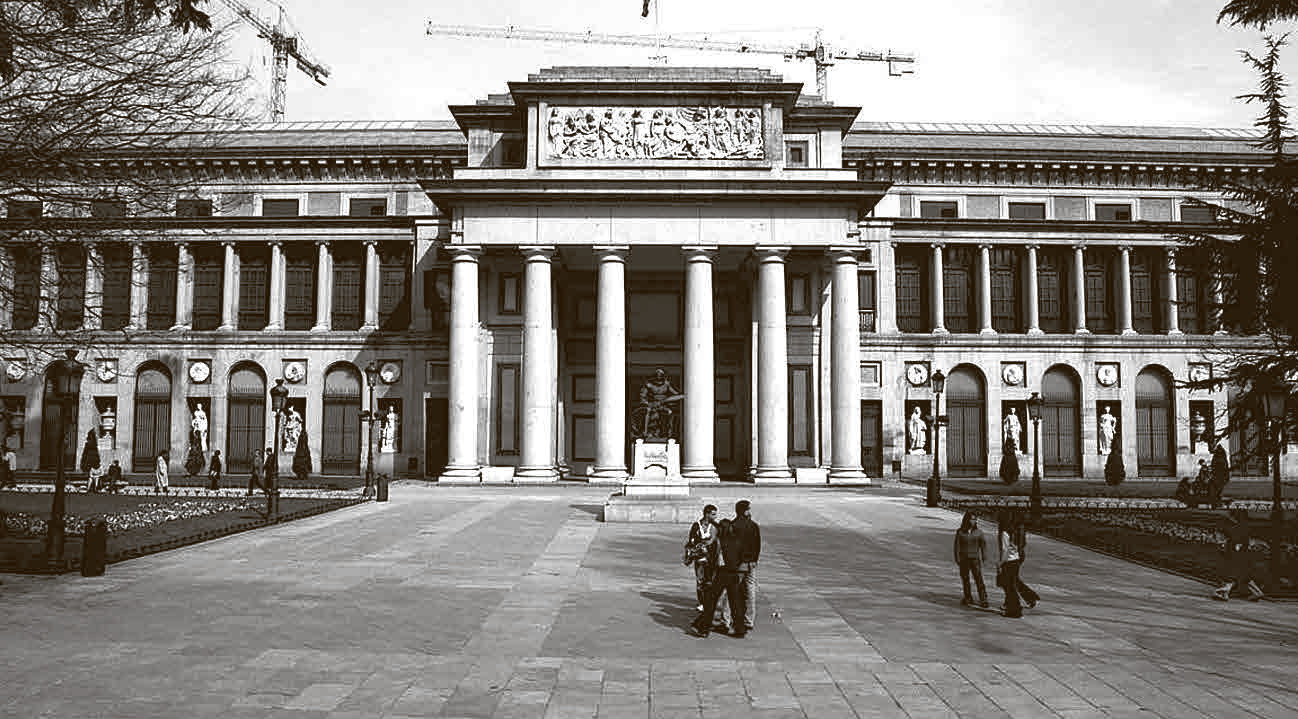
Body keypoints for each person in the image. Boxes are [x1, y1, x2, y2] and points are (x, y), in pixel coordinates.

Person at [690, 518, 744, 638]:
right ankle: (740, 629)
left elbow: (713, 559)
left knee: (711, 600)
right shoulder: (737, 541)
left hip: (722, 573)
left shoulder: (719, 542)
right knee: (735, 602)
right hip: (734, 572)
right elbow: (741, 557)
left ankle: (704, 627)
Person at [1214, 508, 1264, 601]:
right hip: (1243, 553)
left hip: (1236, 553)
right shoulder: (1245, 527)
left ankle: (1224, 592)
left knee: (1232, 574)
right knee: (1245, 576)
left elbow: (1236, 542)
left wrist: (1230, 548)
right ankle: (1257, 592)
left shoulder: (1236, 528)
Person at [997, 511, 1039, 618]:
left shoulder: (1007, 532)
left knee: (1010, 583)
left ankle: (1016, 605)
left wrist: (1000, 563)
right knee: (1012, 581)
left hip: (1011, 559)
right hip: (1016, 557)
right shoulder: (1015, 529)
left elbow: (1005, 550)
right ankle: (1023, 600)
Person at [730, 499, 761, 637]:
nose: (750, 511)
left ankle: (726, 619)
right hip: (751, 563)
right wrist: (754, 560)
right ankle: (749, 620)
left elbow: (733, 546)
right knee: (750, 591)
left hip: (739, 563)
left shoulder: (734, 525)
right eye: (749, 509)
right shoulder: (753, 525)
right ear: (745, 511)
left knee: (732, 590)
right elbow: (757, 544)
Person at [954, 512, 989, 608]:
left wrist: (984, 557)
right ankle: (968, 597)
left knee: (978, 579)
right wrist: (957, 559)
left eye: (975, 519)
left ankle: (983, 599)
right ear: (967, 520)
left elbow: (983, 545)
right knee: (965, 579)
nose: (974, 521)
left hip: (975, 559)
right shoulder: (960, 532)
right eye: (972, 519)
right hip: (964, 559)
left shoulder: (979, 532)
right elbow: (957, 546)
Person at [1210, 440, 1231, 506]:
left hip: (1219, 474)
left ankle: (1216, 501)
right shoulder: (1221, 453)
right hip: (1220, 474)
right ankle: (1217, 500)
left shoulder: (1218, 453)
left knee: (1217, 487)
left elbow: (1215, 463)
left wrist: (1213, 469)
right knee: (1218, 488)